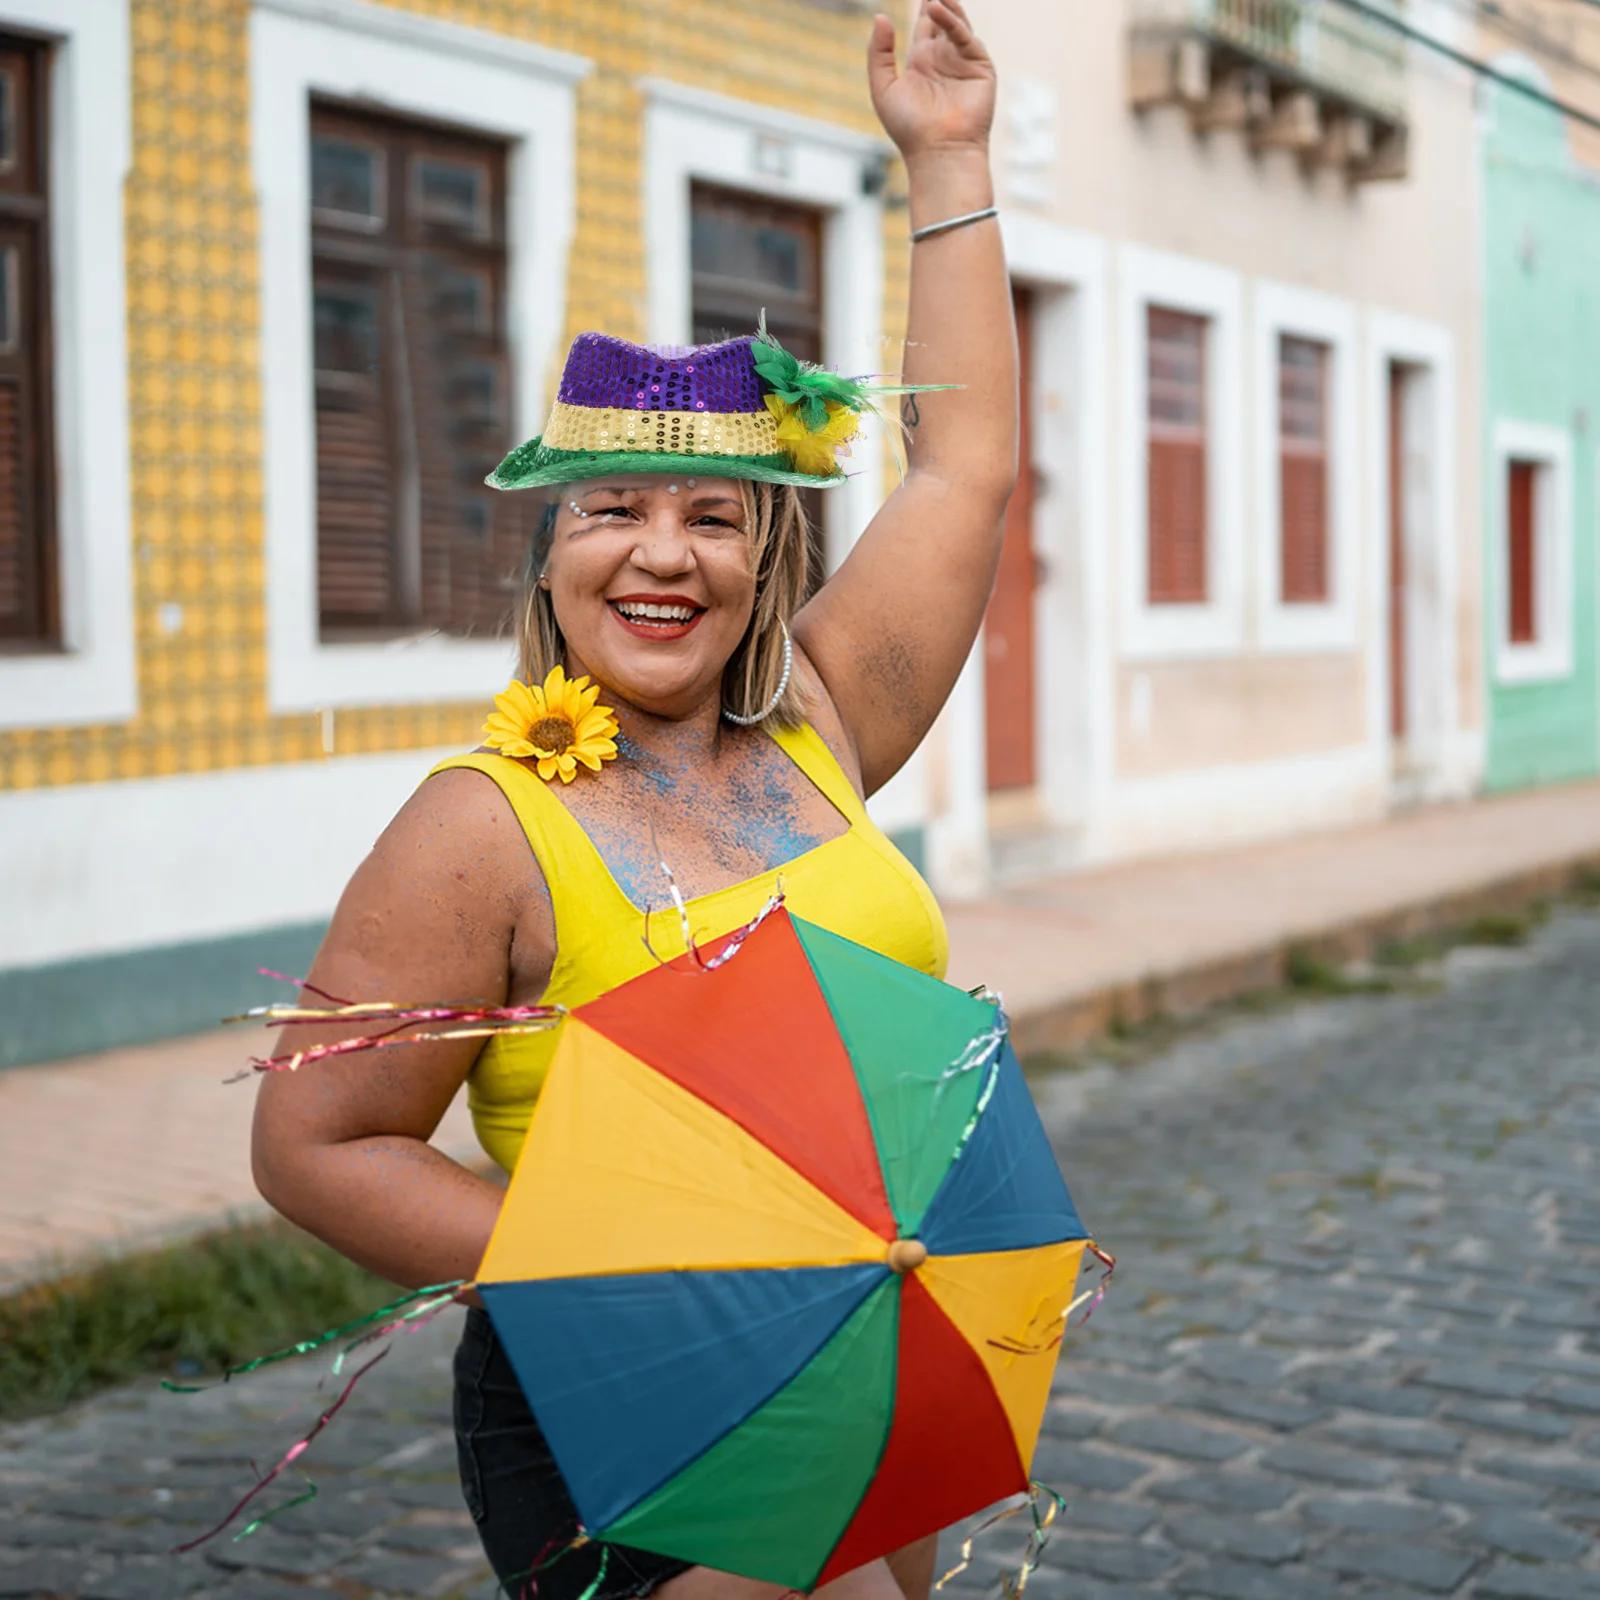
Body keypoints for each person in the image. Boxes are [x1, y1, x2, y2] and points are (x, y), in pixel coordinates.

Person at [251, 4, 1016, 1598]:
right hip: (623, 1389)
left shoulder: (824, 713)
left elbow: (961, 476)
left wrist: (948, 156)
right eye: (613, 508)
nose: (663, 553)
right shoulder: (481, 824)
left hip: (852, 1326)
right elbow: (314, 1140)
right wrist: (607, 1254)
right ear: (550, 547)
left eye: (714, 517)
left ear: (767, 558)